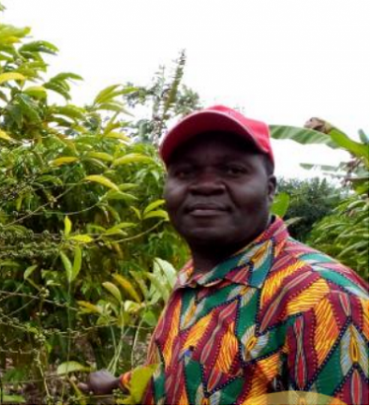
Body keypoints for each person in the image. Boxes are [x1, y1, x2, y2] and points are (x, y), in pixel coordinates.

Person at [79, 105, 369, 404]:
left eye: (233, 170)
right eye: (185, 172)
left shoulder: (324, 297)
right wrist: (119, 383)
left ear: (270, 189)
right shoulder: (195, 275)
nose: (205, 185)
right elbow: (180, 366)